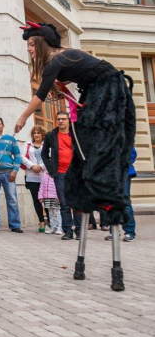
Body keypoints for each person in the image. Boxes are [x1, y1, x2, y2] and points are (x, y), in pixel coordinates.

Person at [15, 22, 136, 291]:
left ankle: (106, 197)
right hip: (97, 91)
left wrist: (23, 117)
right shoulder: (63, 59)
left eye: (32, 44)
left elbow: (40, 95)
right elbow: (66, 83)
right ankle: (88, 191)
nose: (29, 48)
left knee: (99, 146)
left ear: (43, 44)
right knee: (86, 144)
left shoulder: (55, 60)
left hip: (109, 89)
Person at [41, 112, 81, 240]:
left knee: (76, 203)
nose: (61, 121)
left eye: (63, 119)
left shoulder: (76, 134)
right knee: (64, 203)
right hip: (60, 173)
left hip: (75, 173)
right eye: (58, 119)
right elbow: (44, 153)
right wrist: (51, 168)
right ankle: (68, 230)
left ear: (68, 121)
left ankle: (79, 231)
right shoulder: (51, 135)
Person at [21, 125, 48, 233]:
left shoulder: (46, 144)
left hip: (44, 175)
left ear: (42, 135)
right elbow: (22, 157)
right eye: (34, 133)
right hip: (31, 176)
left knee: (46, 199)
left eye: (38, 133)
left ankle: (50, 221)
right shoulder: (27, 144)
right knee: (36, 200)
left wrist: (41, 166)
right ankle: (41, 221)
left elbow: (49, 156)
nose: (36, 135)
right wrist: (32, 166)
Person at [38, 168, 62, 235]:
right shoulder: (44, 175)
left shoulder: (56, 176)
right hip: (46, 197)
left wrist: (59, 196)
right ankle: (53, 227)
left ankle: (59, 227)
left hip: (55, 197)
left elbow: (59, 186)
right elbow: (41, 186)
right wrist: (40, 196)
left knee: (57, 213)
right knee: (50, 213)